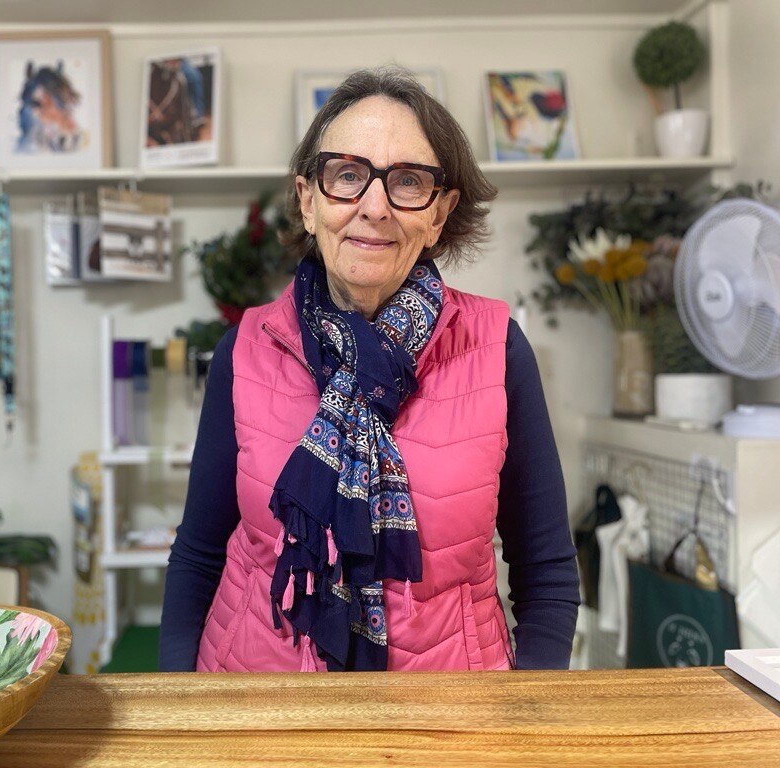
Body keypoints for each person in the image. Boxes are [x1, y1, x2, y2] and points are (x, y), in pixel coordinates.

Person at [160, 65, 580, 672]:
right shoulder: (246, 348)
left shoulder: (498, 349)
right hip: (253, 714)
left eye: (408, 182)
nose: (375, 207)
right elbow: (198, 554)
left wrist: (526, 717)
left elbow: (545, 571)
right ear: (308, 201)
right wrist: (180, 711)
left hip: (452, 725)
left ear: (439, 213)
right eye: (348, 176)